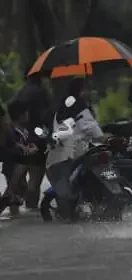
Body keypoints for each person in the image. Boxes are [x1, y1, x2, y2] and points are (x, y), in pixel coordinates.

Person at [44, 78, 106, 214]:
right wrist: (104, 139)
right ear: (79, 90)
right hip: (72, 152)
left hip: (59, 154)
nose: (89, 92)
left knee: (66, 185)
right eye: (86, 89)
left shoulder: (63, 106)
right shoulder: (79, 106)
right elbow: (89, 126)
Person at [9, 70, 54, 209]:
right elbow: (47, 116)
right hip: (37, 138)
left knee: (16, 181)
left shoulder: (18, 92)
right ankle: (32, 210)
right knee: (35, 180)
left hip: (19, 138)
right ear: (40, 77)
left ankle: (16, 210)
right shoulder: (41, 93)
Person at [0, 102, 37, 216]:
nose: (28, 115)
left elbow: (26, 143)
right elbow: (11, 145)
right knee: (12, 190)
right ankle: (13, 212)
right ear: (21, 115)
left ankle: (14, 214)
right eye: (26, 113)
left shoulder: (24, 129)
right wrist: (22, 148)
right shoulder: (11, 130)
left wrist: (31, 147)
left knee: (20, 189)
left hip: (20, 163)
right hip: (11, 163)